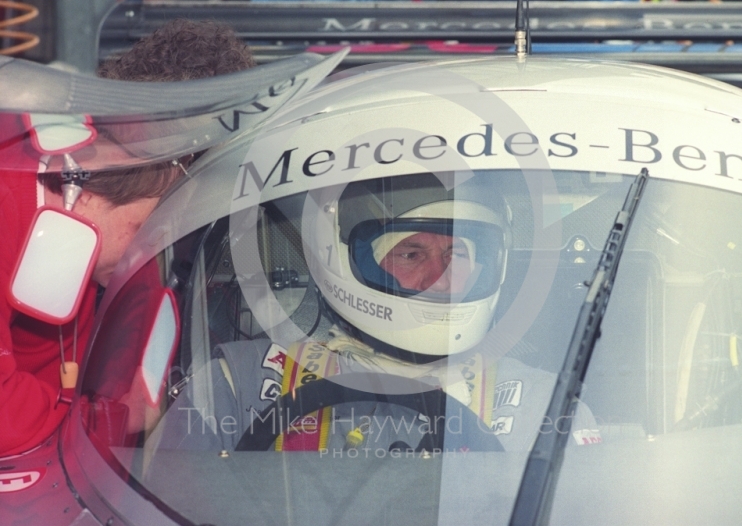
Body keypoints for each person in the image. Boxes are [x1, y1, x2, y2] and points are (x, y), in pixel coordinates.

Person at [156, 172, 600, 453]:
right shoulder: (240, 383)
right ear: (346, 259)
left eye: (458, 253)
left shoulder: (543, 406)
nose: (441, 279)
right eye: (410, 254)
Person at [0, 18, 256, 457]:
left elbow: (114, 358)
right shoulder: (11, 195)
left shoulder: (96, 223)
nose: (158, 248)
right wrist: (111, 420)